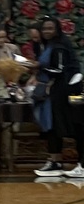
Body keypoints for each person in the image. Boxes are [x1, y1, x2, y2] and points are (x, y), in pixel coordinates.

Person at [33, 16, 84, 178]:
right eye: (44, 29)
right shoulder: (49, 45)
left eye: (50, 28)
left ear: (57, 29)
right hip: (58, 92)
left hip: (73, 92)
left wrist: (38, 67)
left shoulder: (60, 46)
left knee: (78, 125)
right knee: (54, 126)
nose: (46, 32)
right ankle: (55, 162)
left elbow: (59, 70)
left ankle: (82, 165)